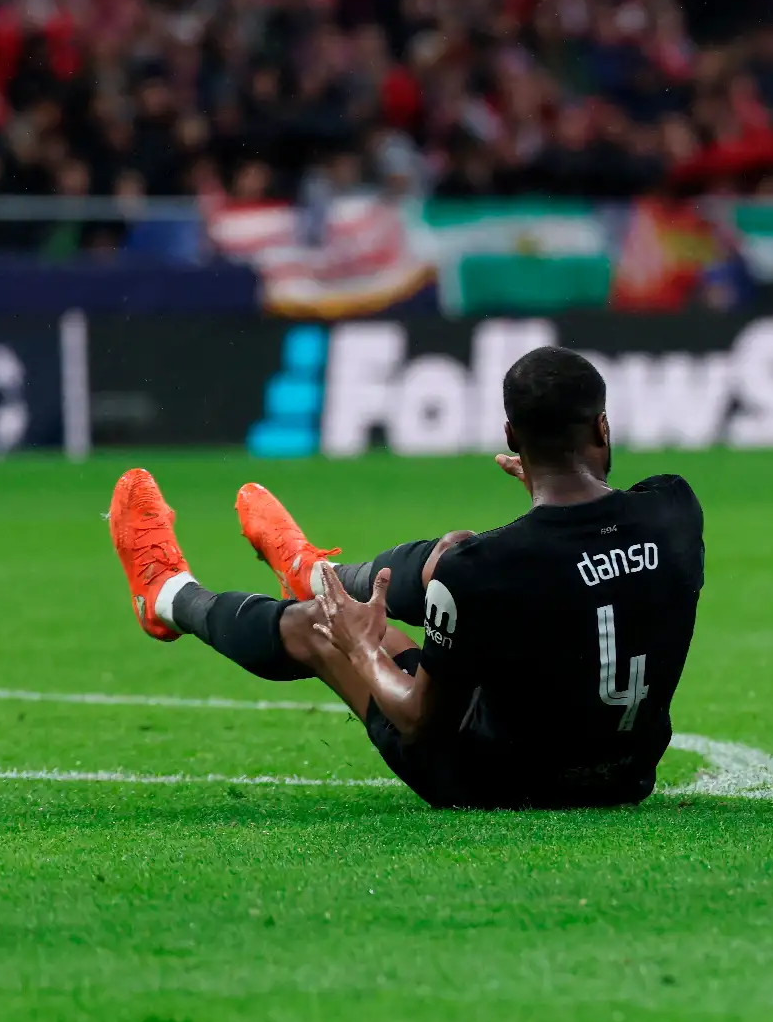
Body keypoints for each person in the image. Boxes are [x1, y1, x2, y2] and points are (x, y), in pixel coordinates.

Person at [105, 346, 703, 810]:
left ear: (511, 438)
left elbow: (420, 724)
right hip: (628, 775)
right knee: (459, 570)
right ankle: (318, 572)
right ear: (601, 428)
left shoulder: (486, 569)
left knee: (330, 626)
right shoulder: (675, 509)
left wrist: (364, 649)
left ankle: (166, 594)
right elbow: (577, 547)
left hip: (493, 781)